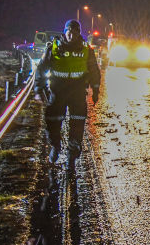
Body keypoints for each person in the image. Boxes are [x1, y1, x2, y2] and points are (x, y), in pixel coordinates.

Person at [35, 19, 101, 170]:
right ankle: (55, 146)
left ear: (79, 33)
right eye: (69, 32)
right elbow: (41, 68)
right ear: (65, 32)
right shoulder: (54, 47)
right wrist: (39, 89)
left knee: (77, 124)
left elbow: (94, 71)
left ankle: (72, 153)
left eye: (75, 32)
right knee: (53, 122)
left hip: (77, 93)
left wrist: (95, 90)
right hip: (58, 92)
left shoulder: (86, 49)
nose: (72, 35)